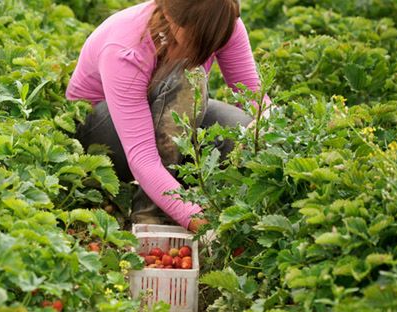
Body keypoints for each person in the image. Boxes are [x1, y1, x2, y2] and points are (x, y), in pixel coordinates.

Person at [66, 0, 272, 232]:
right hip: (104, 138)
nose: (205, 49)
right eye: (198, 41)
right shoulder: (126, 48)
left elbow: (253, 96)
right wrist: (198, 221)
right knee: (186, 80)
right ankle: (151, 214)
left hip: (165, 123)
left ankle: (171, 192)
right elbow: (142, 159)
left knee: (244, 132)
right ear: (171, 18)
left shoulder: (222, 23)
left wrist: (269, 129)